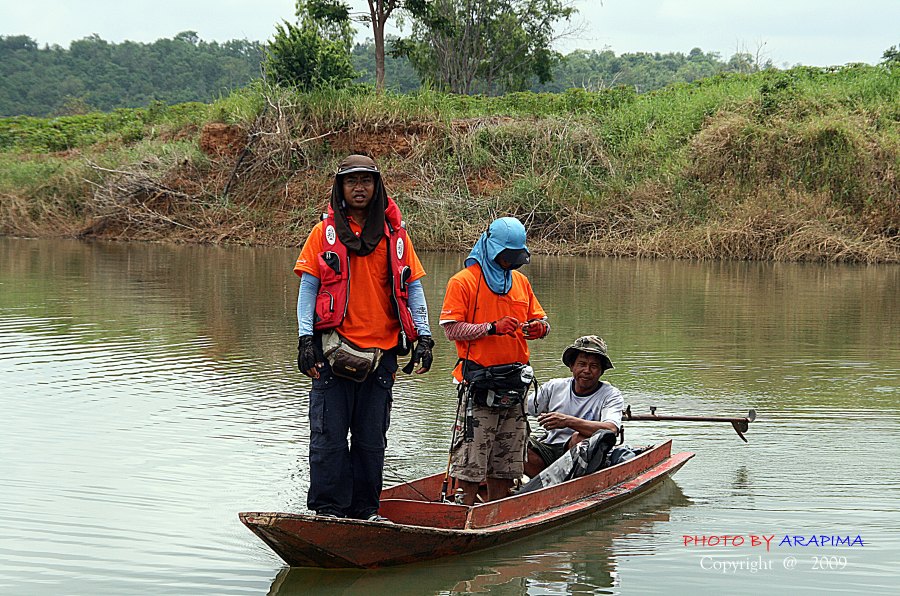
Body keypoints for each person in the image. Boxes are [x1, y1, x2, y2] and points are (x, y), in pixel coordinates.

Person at [293, 154, 434, 522]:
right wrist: (305, 339)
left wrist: (425, 338)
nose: (359, 187)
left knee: (371, 444)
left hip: (381, 355)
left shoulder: (396, 238)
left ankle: (365, 513)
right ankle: (328, 512)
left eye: (366, 181)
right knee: (329, 441)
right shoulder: (322, 234)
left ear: (377, 187)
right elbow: (308, 289)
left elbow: (413, 290)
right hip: (331, 351)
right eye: (351, 181)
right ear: (340, 187)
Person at [439, 216, 549, 505]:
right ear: (490, 248)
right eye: (504, 257)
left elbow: (541, 320)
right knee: (472, 454)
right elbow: (451, 329)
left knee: (509, 455)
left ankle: (497, 507)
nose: (508, 264)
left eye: (514, 258)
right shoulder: (463, 282)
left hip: (515, 383)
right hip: (479, 383)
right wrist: (491, 327)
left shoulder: (520, 283)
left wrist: (539, 328)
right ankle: (465, 507)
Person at [524, 335, 623, 478]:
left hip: (581, 457)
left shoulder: (610, 394)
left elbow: (611, 429)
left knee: (581, 440)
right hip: (548, 450)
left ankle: (568, 485)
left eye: (593, 366)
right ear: (572, 366)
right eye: (582, 364)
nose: (587, 370)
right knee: (515, 441)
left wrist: (567, 421)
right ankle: (541, 486)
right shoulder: (554, 387)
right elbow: (524, 409)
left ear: (601, 371)